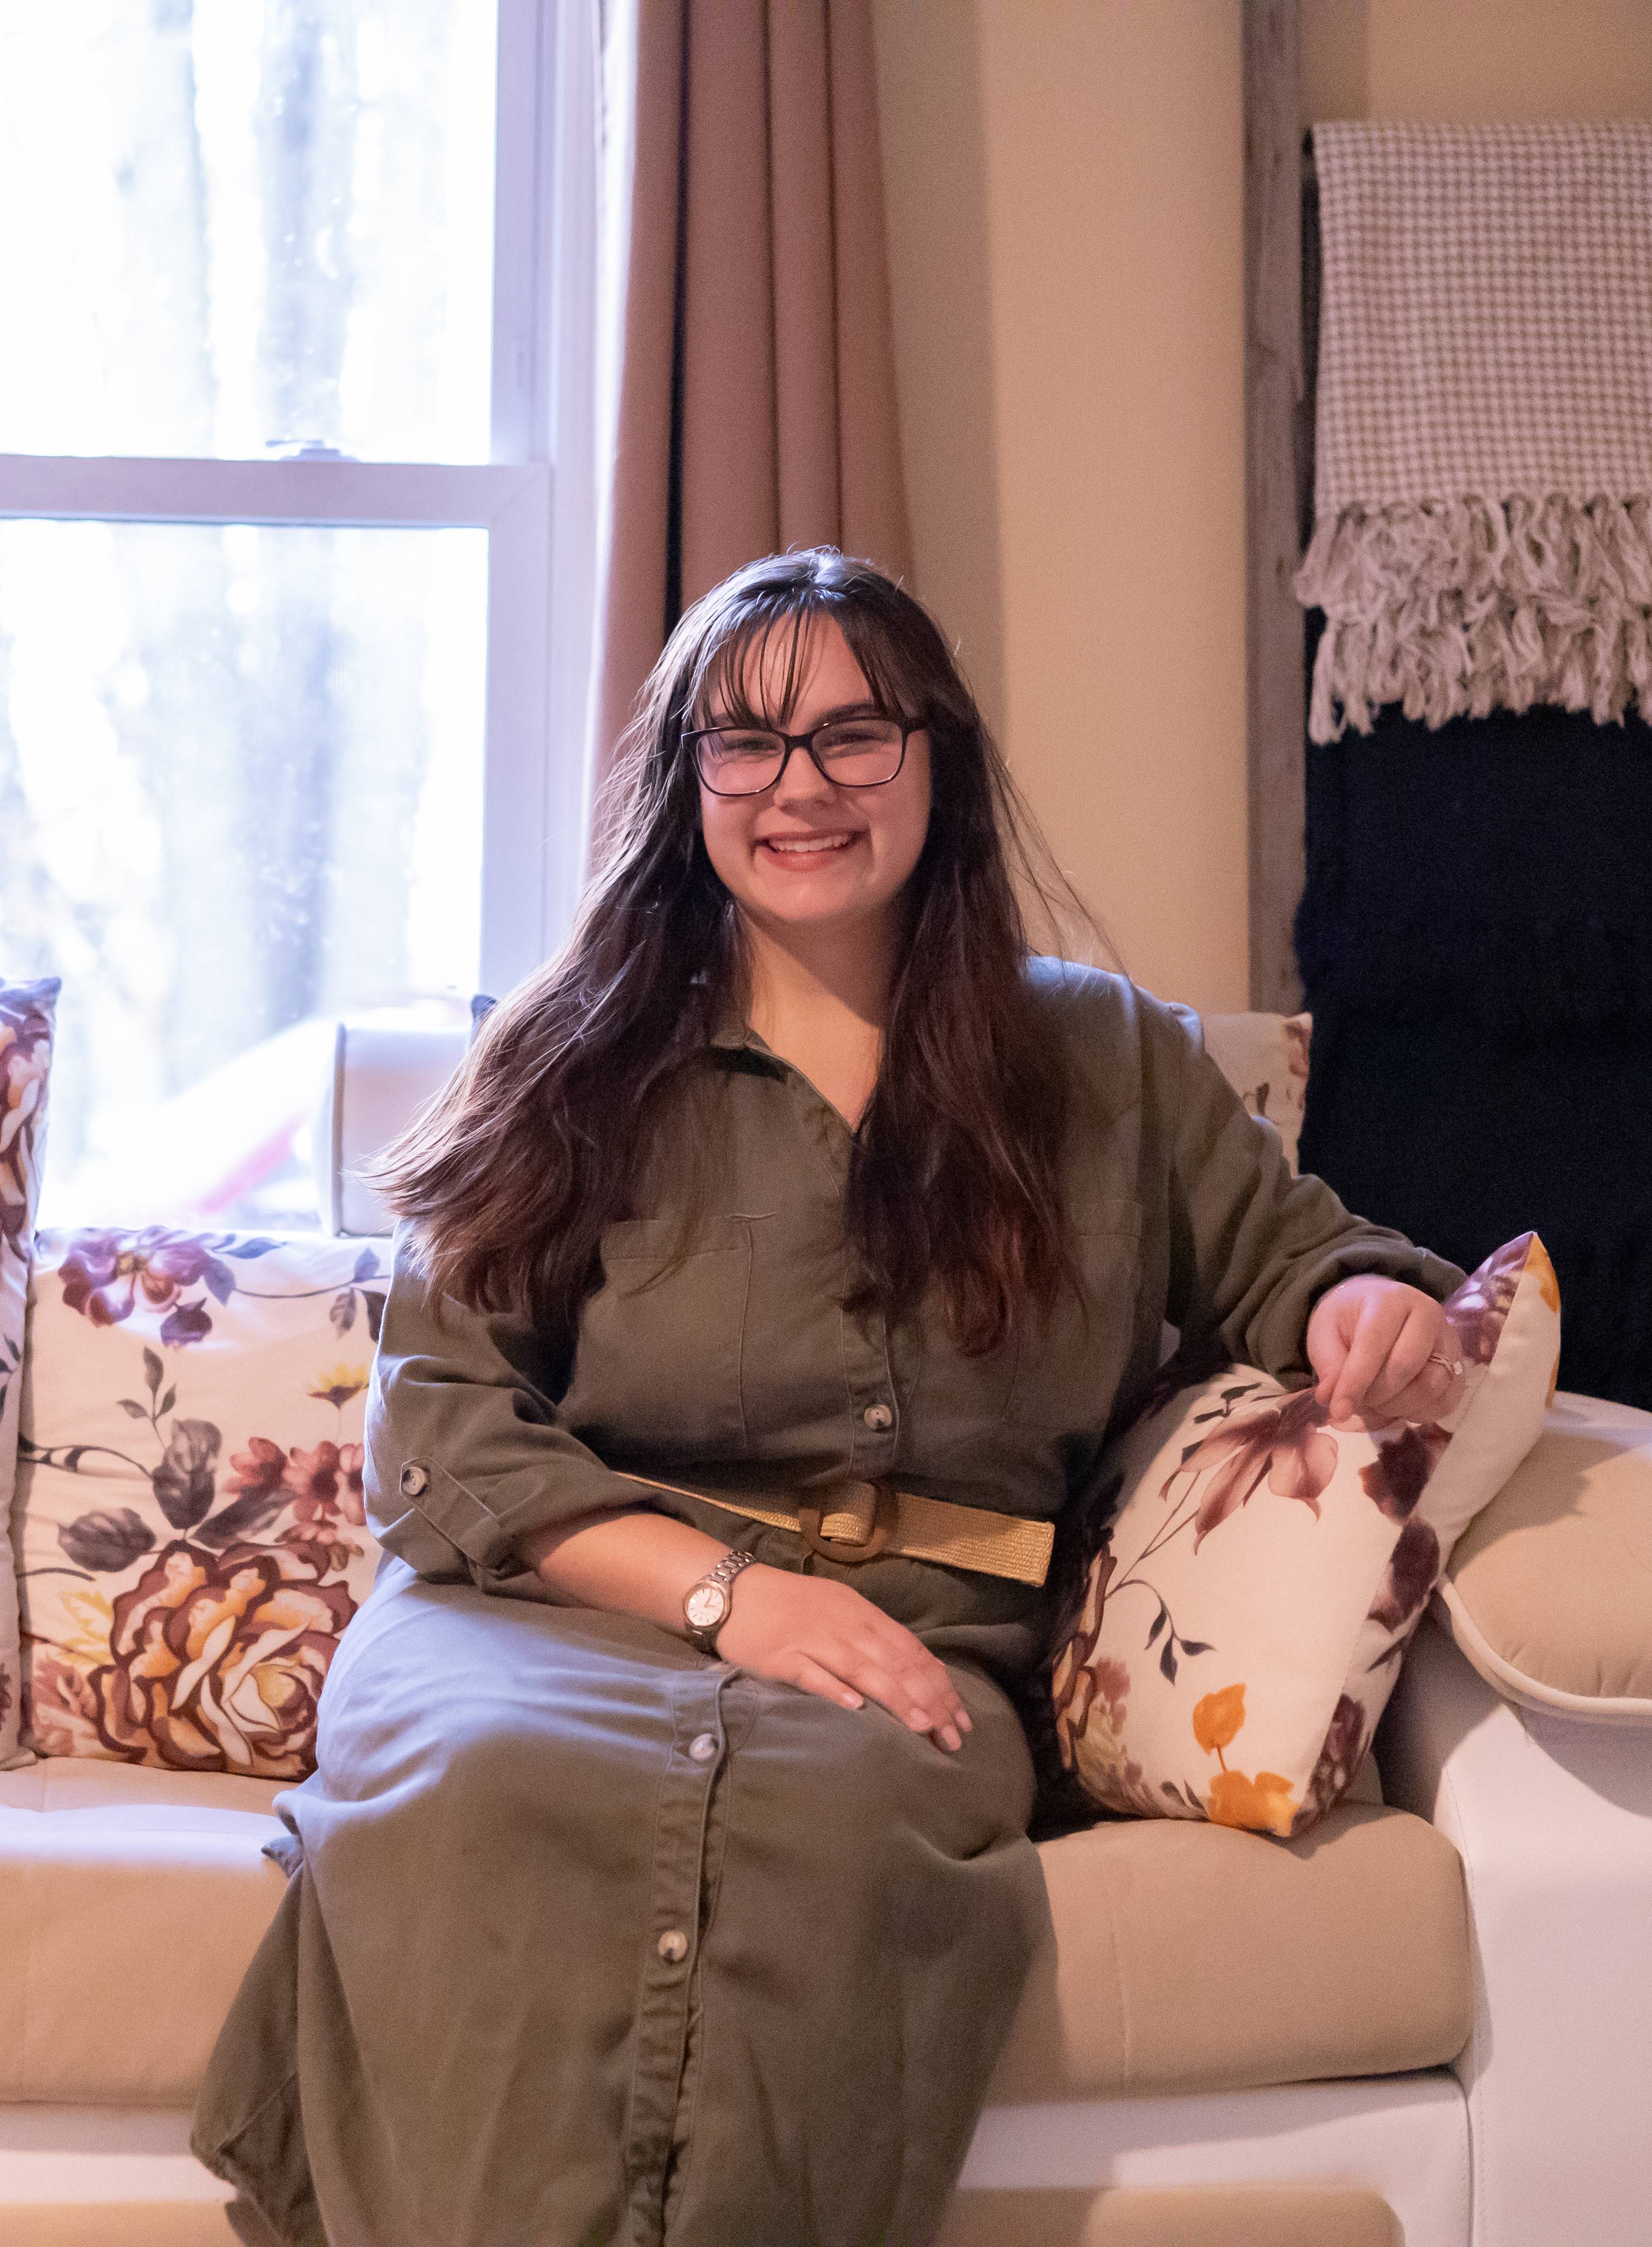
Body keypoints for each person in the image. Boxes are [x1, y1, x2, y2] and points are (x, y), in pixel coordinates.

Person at [191, 548, 1468, 2246]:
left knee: (851, 1835)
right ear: (687, 784)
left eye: (856, 735)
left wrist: (1366, 1303)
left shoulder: (1107, 1062)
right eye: (748, 742)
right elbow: (444, 1420)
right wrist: (732, 1598)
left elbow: (1305, 1258)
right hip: (552, 1620)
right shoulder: (563, 1055)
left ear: (937, 760)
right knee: (478, 1794)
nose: (801, 788)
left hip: (914, 1648)